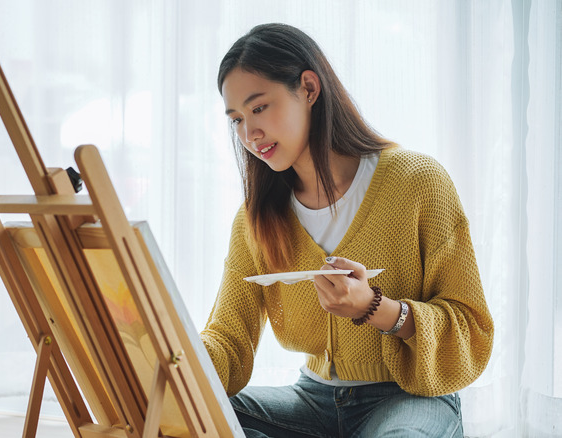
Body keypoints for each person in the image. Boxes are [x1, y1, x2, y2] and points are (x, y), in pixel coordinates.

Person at [199, 23, 494, 437]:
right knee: (192, 418)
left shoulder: (417, 182)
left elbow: (470, 328)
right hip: (311, 402)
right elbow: (228, 341)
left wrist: (376, 308)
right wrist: (171, 354)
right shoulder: (256, 219)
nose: (250, 134)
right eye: (236, 120)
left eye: (259, 108)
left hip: (409, 398)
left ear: (308, 88)